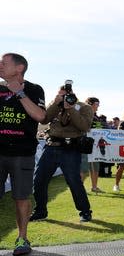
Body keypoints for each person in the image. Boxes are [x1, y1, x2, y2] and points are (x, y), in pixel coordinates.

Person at [0, 53, 46, 255]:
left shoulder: (34, 89)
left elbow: (41, 116)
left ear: (19, 68)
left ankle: (22, 239)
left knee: (21, 197)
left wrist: (19, 93)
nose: (0, 65)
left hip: (23, 153)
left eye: (4, 63)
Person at [30, 83, 93, 222]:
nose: (61, 97)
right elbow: (45, 119)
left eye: (63, 95)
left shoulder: (84, 107)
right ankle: (40, 211)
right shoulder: (55, 105)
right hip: (51, 146)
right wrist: (55, 104)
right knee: (39, 180)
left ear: (71, 94)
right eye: (59, 94)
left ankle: (85, 211)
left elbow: (84, 126)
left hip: (70, 149)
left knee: (74, 181)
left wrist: (70, 109)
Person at [85, 97, 107, 193]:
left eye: (98, 104)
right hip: (86, 145)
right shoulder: (85, 115)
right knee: (84, 169)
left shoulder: (97, 117)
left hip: (96, 146)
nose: (98, 106)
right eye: (96, 104)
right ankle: (79, 189)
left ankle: (94, 187)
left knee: (96, 167)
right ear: (90, 104)